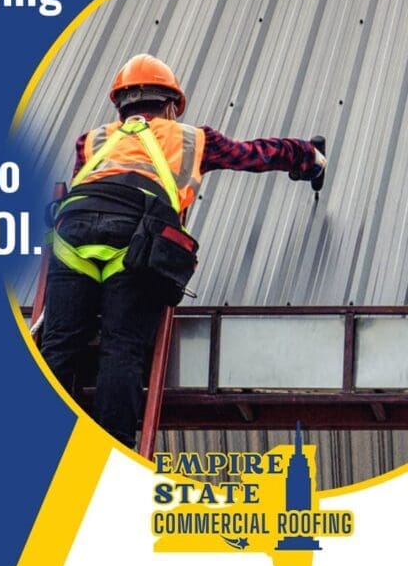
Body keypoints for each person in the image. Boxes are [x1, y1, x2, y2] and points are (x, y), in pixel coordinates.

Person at [39, 53, 326, 448]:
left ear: (121, 105)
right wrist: (308, 157)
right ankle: (111, 450)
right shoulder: (192, 138)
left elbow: (86, 190)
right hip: (136, 241)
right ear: (172, 105)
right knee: (121, 348)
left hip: (73, 235)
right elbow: (258, 154)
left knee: (60, 344)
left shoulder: (92, 140)